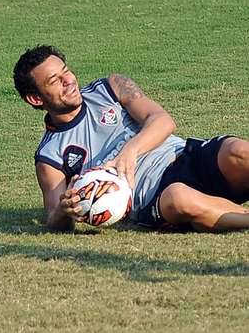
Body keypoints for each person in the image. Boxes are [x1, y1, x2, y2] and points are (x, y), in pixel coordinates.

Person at [13, 45, 249, 232]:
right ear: (35, 99)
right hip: (155, 195)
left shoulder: (111, 88)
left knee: (238, 151)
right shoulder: (49, 155)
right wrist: (66, 210)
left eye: (66, 70)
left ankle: (210, 212)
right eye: (55, 80)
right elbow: (54, 216)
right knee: (180, 199)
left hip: (185, 156)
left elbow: (163, 120)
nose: (69, 81)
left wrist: (130, 150)